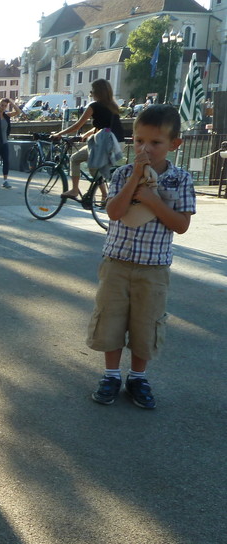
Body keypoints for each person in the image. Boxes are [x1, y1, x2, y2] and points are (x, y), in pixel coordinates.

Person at [87, 104, 194, 409]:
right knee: (110, 318)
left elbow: (181, 224)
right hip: (117, 262)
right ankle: (110, 375)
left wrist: (152, 199)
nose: (145, 148)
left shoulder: (180, 180)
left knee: (146, 323)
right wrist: (135, 178)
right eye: (138, 141)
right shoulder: (122, 174)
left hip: (154, 267)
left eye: (155, 143)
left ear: (174, 144)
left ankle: (137, 376)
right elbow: (114, 212)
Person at [51, 79, 124, 204]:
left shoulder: (94, 106)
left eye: (92, 91)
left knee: (75, 159)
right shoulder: (113, 106)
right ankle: (104, 196)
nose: (91, 94)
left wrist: (59, 134)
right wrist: (85, 135)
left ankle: (75, 190)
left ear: (97, 92)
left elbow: (77, 125)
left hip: (106, 144)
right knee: (95, 168)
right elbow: (104, 127)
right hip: (118, 144)